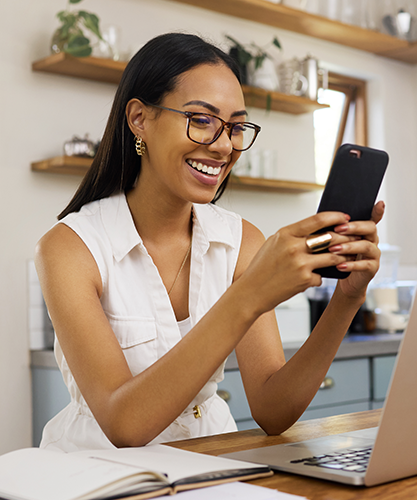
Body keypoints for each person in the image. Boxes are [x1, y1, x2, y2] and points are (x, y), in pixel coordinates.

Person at [35, 32, 384, 451]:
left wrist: (346, 299)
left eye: (235, 127)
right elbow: (124, 425)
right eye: (201, 120)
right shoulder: (69, 248)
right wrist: (250, 294)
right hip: (97, 474)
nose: (222, 146)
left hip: (211, 462)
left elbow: (274, 411)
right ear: (139, 118)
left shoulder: (241, 241)